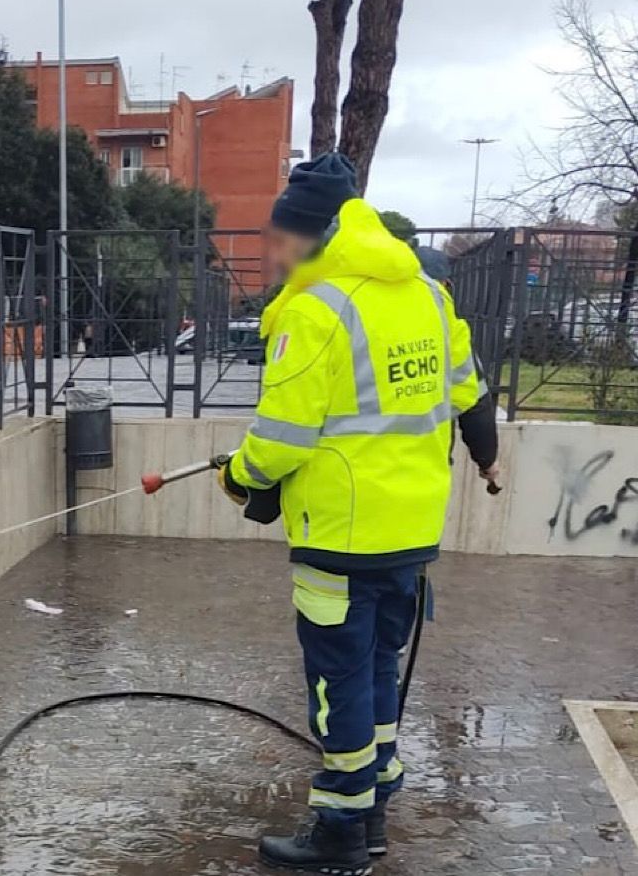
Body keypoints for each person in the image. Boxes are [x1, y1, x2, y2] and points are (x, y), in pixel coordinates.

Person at [216, 153, 480, 874]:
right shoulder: (424, 291)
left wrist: (240, 477)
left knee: (337, 684)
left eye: (280, 240)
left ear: (314, 236)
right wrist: (484, 449)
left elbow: (282, 439)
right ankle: (373, 813)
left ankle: (338, 833)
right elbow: (463, 382)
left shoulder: (316, 308)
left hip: (341, 536)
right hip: (412, 532)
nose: (273, 254)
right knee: (377, 671)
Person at [415, 247, 500, 485]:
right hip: (425, 468)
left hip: (345, 469)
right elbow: (474, 402)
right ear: (443, 285)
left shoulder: (357, 313)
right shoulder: (448, 329)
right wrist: (487, 461)